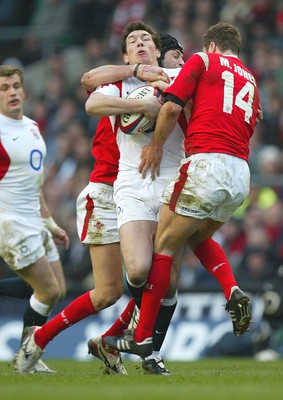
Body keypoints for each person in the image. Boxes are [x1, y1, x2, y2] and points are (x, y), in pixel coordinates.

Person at [14, 21, 187, 376]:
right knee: (111, 289)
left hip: (159, 184)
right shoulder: (117, 81)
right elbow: (89, 86)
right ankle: (46, 338)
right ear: (126, 55)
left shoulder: (177, 78)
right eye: (132, 41)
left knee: (159, 276)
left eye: (146, 40)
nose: (140, 44)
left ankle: (121, 344)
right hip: (108, 190)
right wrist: (139, 91)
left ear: (158, 49)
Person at [102, 21, 259, 357]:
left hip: (206, 163)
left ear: (211, 46)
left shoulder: (203, 62)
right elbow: (253, 115)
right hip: (240, 173)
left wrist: (156, 146)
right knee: (196, 236)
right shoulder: (249, 76)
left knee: (163, 245)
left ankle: (142, 337)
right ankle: (231, 288)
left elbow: (171, 107)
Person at [0, 65, 69, 373]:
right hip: (10, 223)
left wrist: (50, 222)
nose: (12, 92)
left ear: (24, 90)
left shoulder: (31, 126)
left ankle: (29, 352)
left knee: (59, 289)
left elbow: (34, 182)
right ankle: (27, 357)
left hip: (36, 221)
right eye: (3, 88)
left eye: (15, 86)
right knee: (48, 291)